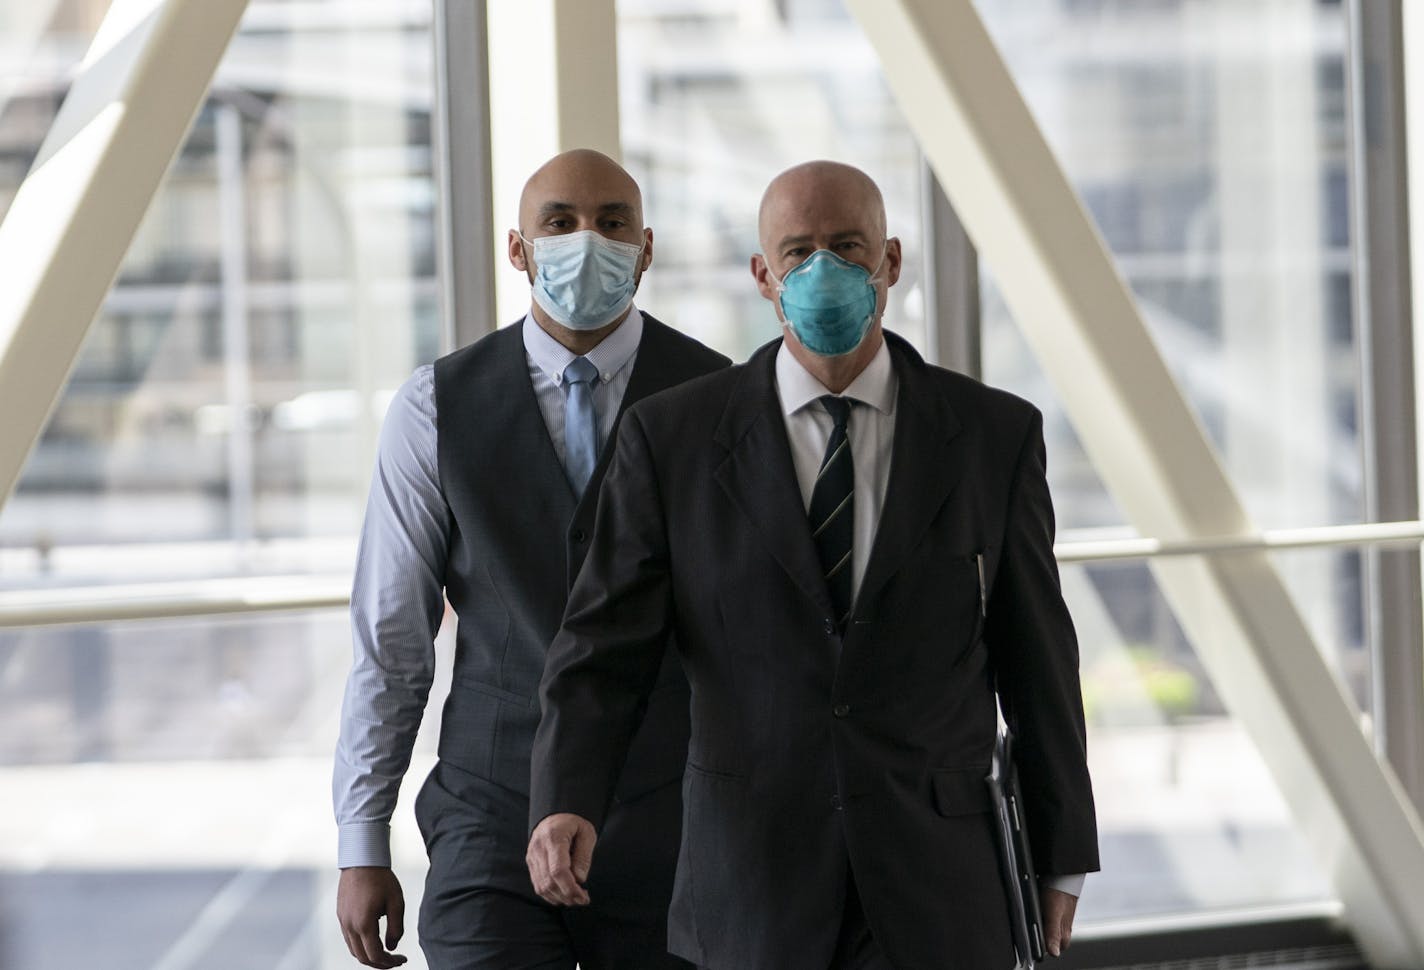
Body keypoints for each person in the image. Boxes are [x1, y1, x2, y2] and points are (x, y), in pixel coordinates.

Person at [526, 160, 1099, 970]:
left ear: (890, 262)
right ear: (763, 274)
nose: (821, 268)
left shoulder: (990, 437)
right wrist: (564, 799)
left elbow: (1038, 661)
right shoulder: (675, 440)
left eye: (847, 245)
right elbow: (601, 647)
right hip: (749, 883)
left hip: (935, 886)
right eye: (796, 252)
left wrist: (1060, 853)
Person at [333, 148, 730, 970]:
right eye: (560, 223)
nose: (588, 240)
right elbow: (393, 641)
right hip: (491, 812)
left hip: (673, 817)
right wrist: (361, 838)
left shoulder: (718, 399)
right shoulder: (433, 407)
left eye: (612, 223)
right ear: (519, 250)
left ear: (646, 248)